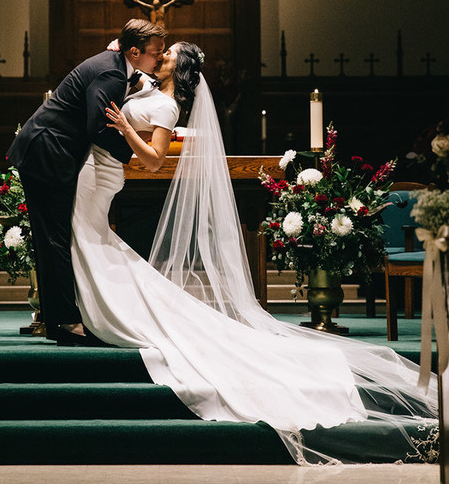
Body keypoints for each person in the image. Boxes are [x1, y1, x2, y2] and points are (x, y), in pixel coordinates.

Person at [69, 40, 438, 465]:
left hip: (107, 170)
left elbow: (152, 158)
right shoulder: (143, 82)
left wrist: (124, 126)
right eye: (160, 51)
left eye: (167, 53)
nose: (161, 56)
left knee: (99, 244)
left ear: (180, 67)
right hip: (97, 168)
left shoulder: (167, 106)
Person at [7, 18, 166, 345]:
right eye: (156, 53)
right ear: (135, 52)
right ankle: (68, 323)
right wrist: (135, 155)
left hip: (47, 151)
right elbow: (98, 126)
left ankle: (59, 322)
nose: (160, 59)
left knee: (53, 237)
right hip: (47, 151)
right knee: (56, 237)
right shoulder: (110, 72)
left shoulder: (118, 65)